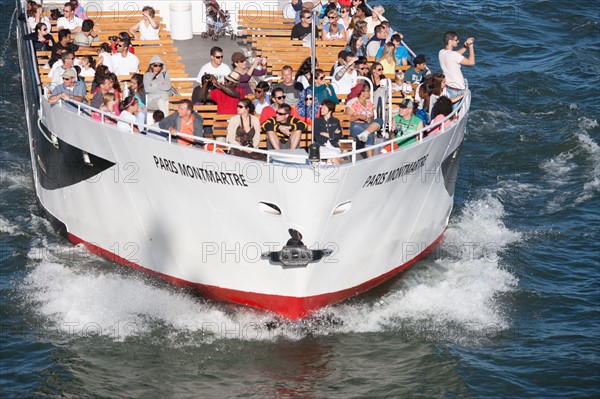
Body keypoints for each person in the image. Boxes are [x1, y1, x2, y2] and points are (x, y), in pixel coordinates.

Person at [345, 84, 383, 157]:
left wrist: (370, 119)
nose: (370, 93)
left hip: (366, 125)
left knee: (380, 120)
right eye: (368, 91)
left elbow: (372, 116)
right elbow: (347, 118)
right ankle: (370, 159)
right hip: (355, 125)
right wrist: (359, 116)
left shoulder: (368, 102)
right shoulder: (353, 102)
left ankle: (365, 132)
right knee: (370, 134)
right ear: (362, 92)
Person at [438, 31, 475, 100]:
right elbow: (471, 62)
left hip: (448, 88)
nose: (458, 41)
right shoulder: (454, 55)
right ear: (450, 41)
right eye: (456, 40)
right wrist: (470, 46)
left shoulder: (441, 52)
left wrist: (465, 46)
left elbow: (456, 54)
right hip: (457, 91)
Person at [314, 99, 343, 164]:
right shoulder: (317, 121)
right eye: (322, 108)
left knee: (334, 155)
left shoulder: (335, 121)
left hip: (334, 146)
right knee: (334, 155)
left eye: (324, 108)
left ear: (330, 110)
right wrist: (332, 134)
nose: (321, 110)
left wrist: (325, 134)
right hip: (321, 146)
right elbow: (317, 136)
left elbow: (339, 135)